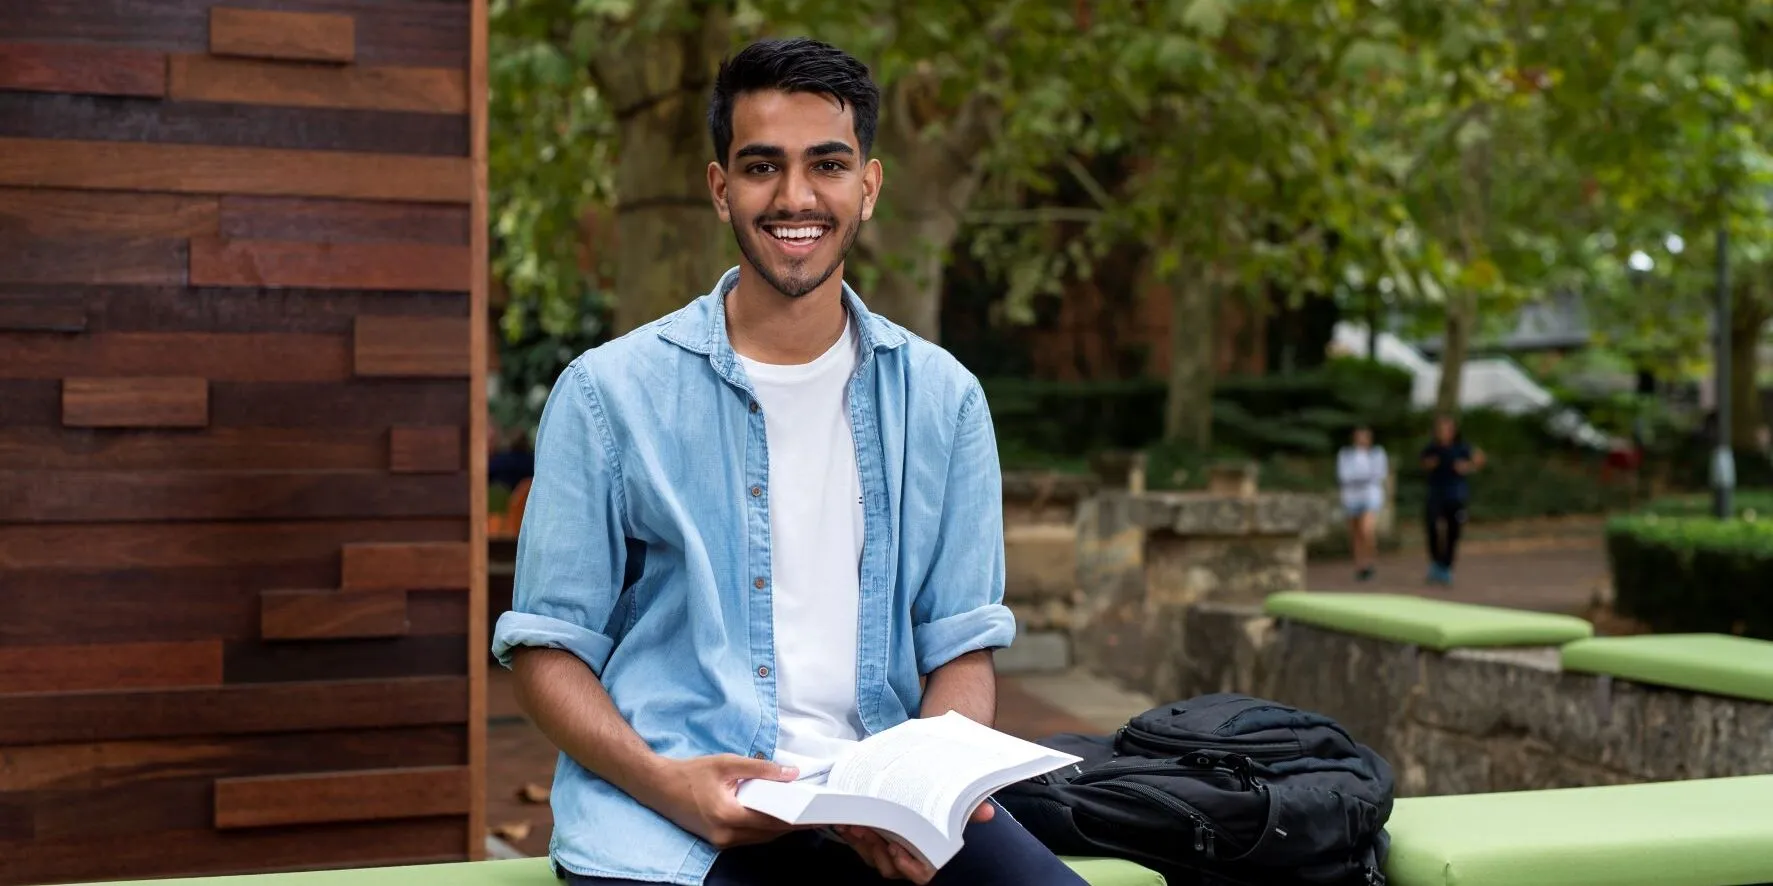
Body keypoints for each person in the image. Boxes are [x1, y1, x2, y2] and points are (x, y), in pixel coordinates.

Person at [490, 37, 1087, 886]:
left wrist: (927, 798)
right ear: (718, 187)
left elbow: (959, 645)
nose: (795, 196)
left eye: (828, 165)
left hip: (874, 798)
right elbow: (547, 650)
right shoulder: (606, 395)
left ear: (868, 188)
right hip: (673, 813)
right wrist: (668, 786)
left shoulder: (944, 399)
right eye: (762, 166)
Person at [1419, 414, 1484, 584]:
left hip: (1456, 495)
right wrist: (1430, 464)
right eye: (1441, 429)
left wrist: (1467, 467)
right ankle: (1435, 562)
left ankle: (1446, 566)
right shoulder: (1432, 448)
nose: (1444, 433)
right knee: (1432, 526)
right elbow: (1423, 463)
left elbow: (1479, 459)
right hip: (1436, 493)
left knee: (1453, 531)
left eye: (1447, 429)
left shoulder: (1462, 447)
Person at [1335, 425, 1388, 581]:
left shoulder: (1377, 454)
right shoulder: (1346, 455)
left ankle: (1370, 560)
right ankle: (1360, 565)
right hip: (1351, 497)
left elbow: (1378, 474)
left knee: (1367, 530)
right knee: (1356, 533)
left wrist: (1358, 476)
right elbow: (1343, 475)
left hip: (1369, 495)